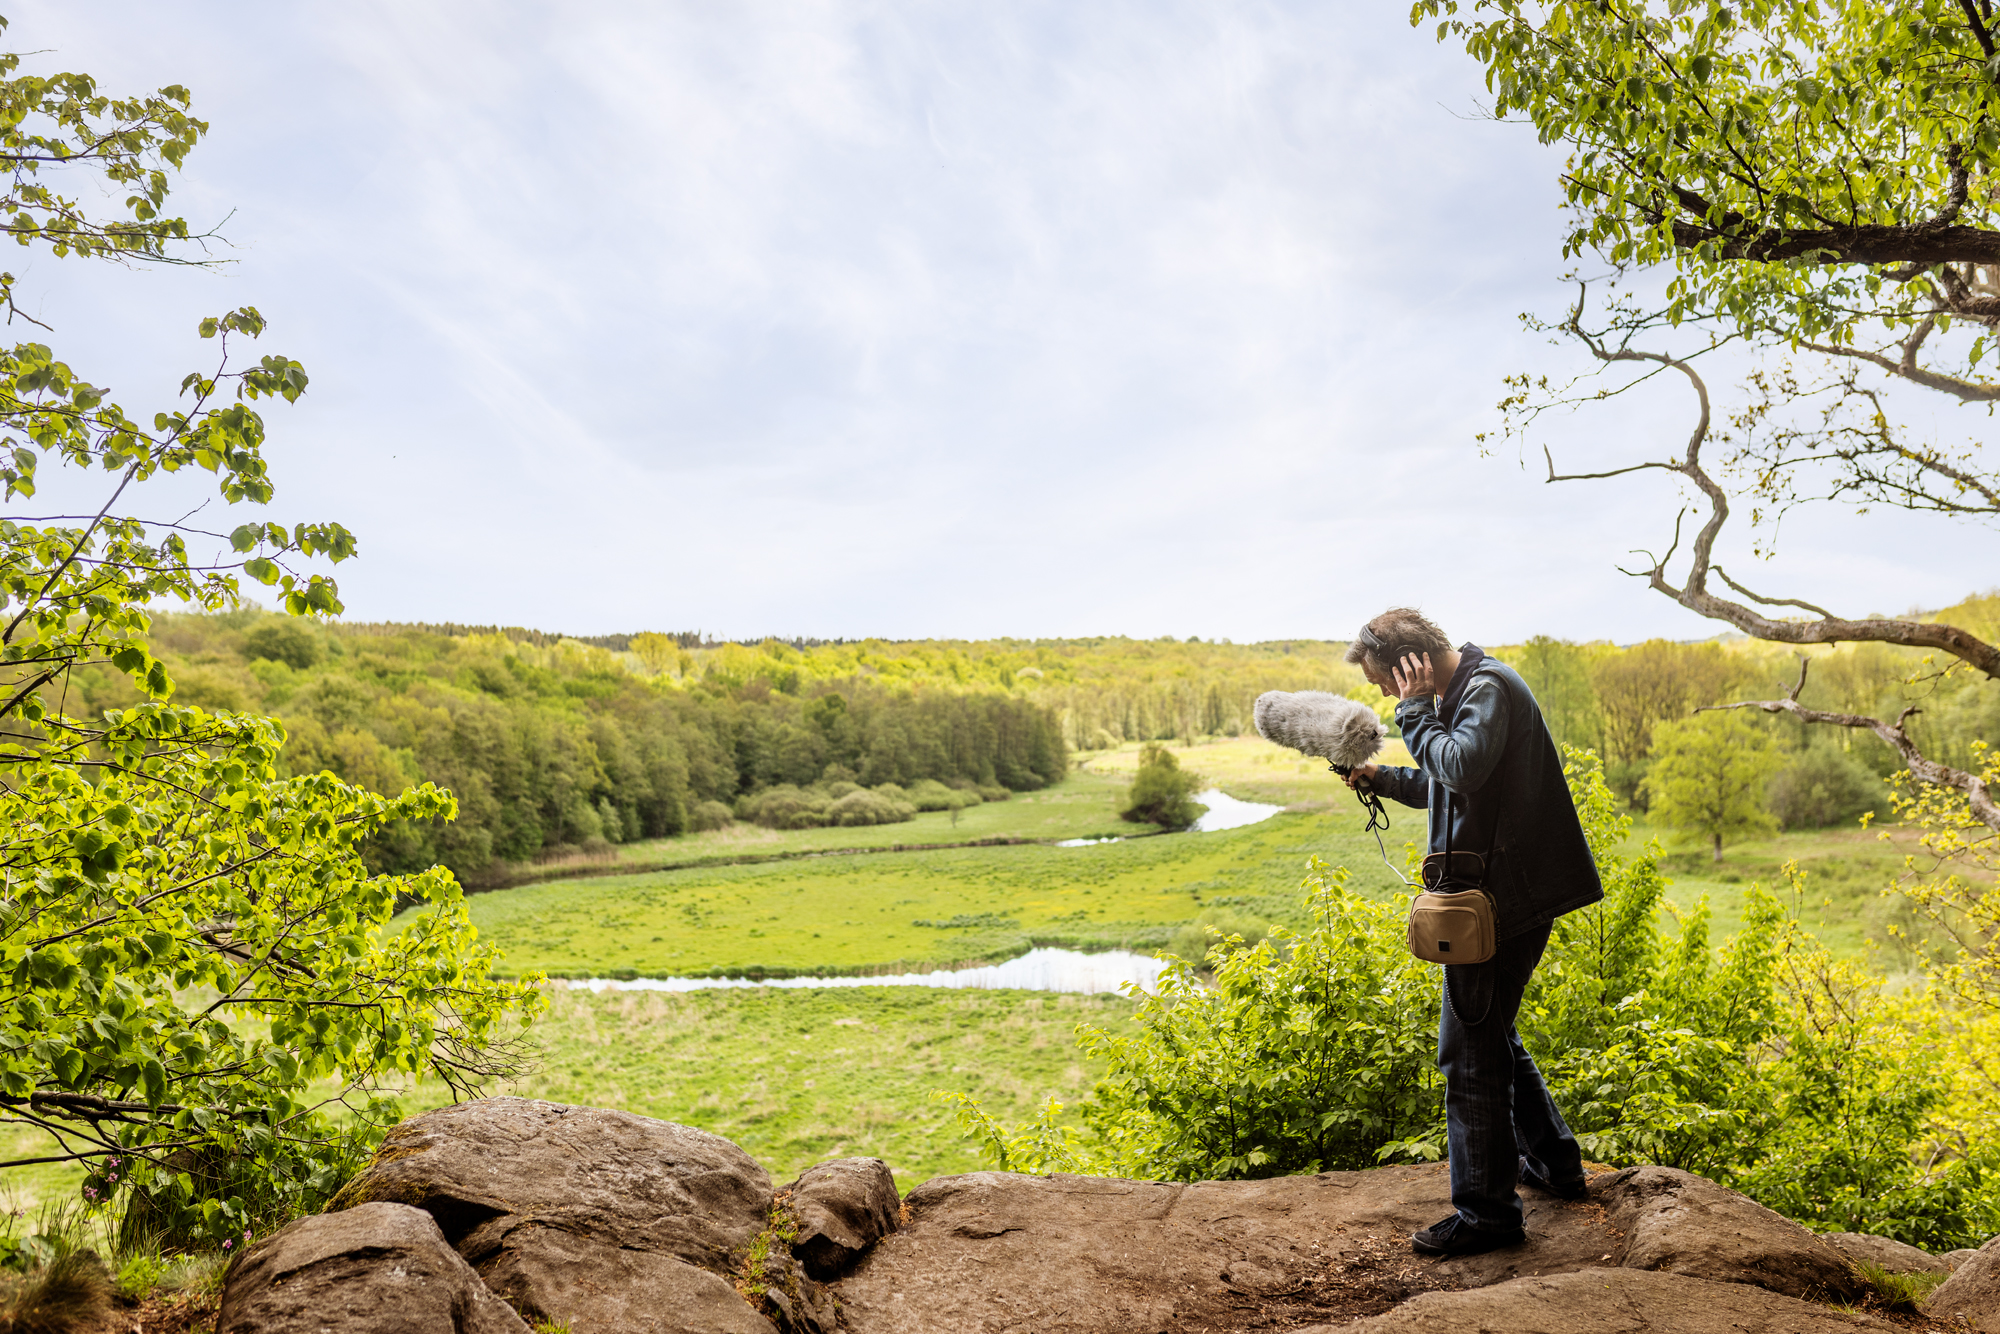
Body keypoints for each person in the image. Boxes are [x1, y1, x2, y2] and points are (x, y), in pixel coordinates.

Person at [1342, 608, 1603, 1258]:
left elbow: (1460, 766)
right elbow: (1450, 783)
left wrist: (1413, 712)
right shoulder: (1466, 694)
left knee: (1468, 1052)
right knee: (1492, 1035)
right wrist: (1385, 779)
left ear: (1411, 665)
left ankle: (1487, 1215)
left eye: (1385, 681)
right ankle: (1555, 1166)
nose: (1385, 694)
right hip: (1507, 893)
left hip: (1504, 900)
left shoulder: (1483, 689)